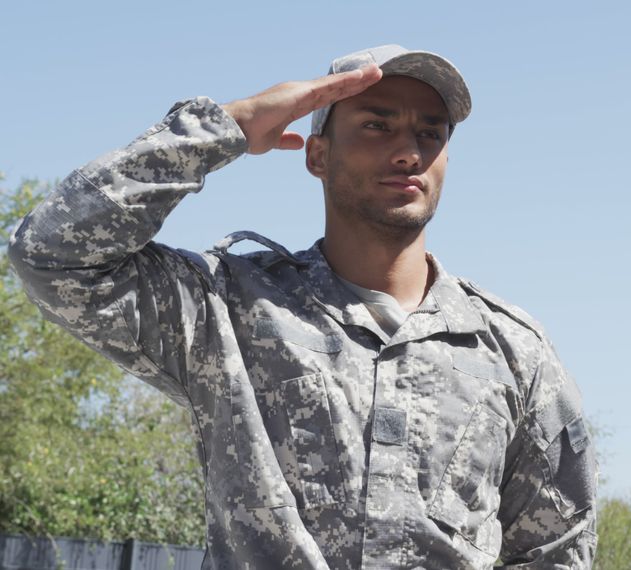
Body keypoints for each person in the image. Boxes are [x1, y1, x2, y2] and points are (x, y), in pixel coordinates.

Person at [8, 45, 597, 569]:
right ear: (317, 155)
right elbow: (52, 255)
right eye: (377, 125)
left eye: (430, 132)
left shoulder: (511, 351)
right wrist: (226, 128)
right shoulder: (230, 309)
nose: (407, 151)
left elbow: (559, 549)